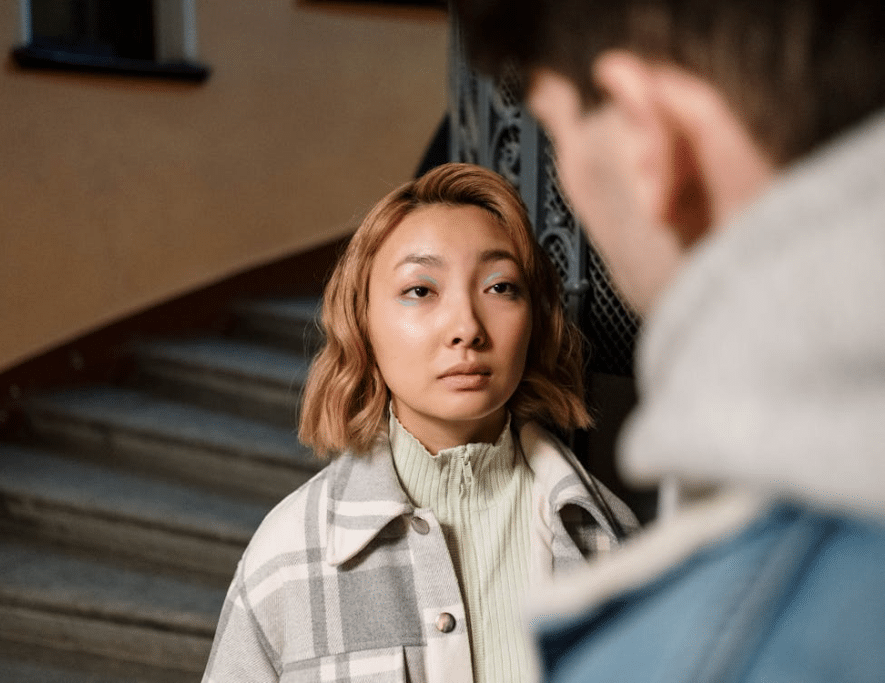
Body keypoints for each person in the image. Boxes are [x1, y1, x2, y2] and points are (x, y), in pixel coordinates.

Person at [451, 1, 885, 681]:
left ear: (643, 133)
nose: (465, 328)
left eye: (554, 131)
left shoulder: (691, 648)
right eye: (419, 290)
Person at [200, 162, 637, 683]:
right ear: (362, 323)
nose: (466, 328)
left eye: (500, 287)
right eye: (420, 290)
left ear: (534, 320)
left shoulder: (612, 539)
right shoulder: (289, 557)